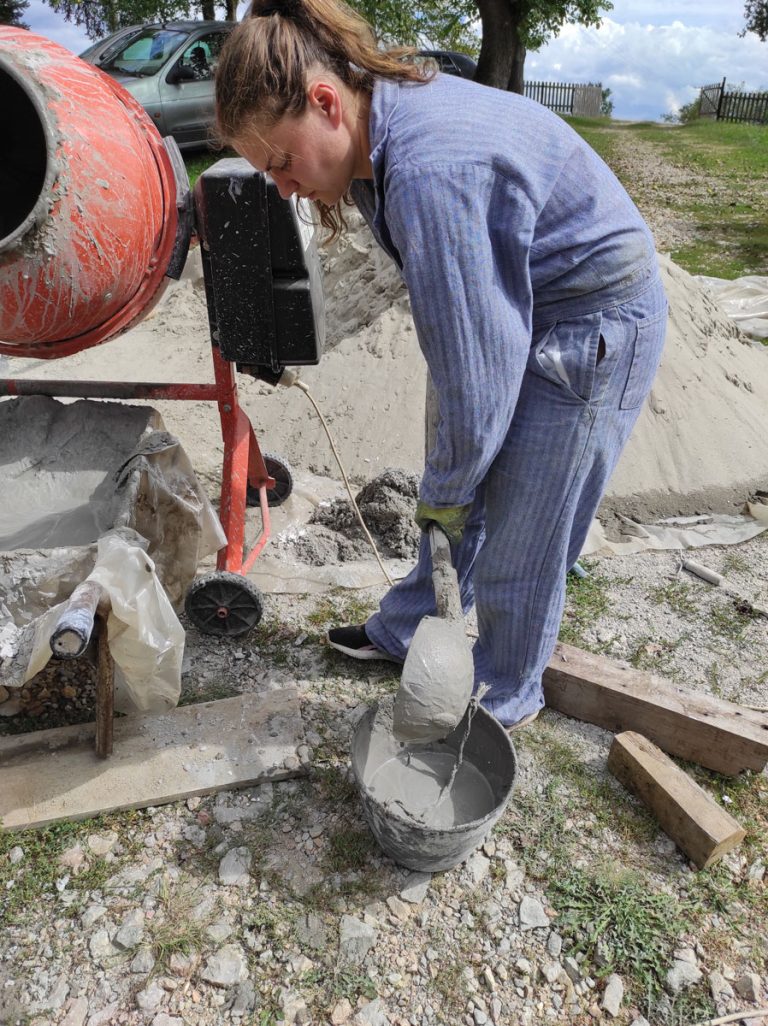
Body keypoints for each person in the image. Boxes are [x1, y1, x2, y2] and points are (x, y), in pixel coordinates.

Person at [215, 0, 668, 730]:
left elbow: (478, 378)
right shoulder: (374, 132)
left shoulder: (430, 168)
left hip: (594, 324)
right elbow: (470, 346)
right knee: (458, 482)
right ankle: (410, 630)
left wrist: (451, 484)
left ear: (326, 103)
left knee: (525, 522)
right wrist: (454, 478)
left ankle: (501, 692)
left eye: (282, 163)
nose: (286, 188)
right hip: (530, 298)